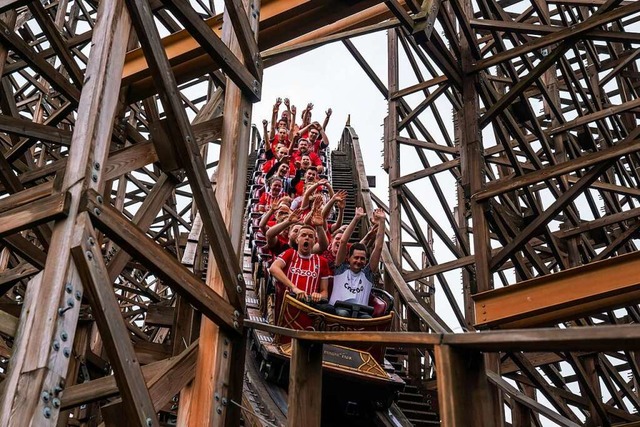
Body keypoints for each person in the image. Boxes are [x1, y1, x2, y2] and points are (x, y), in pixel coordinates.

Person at [329, 207, 386, 318]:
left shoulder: (367, 274)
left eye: (362, 259)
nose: (359, 261)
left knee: (367, 319)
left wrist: (382, 221)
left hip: (362, 313)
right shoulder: (341, 269)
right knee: (343, 314)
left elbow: (378, 248)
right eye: (356, 258)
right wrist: (356, 218)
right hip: (339, 310)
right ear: (349, 258)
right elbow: (343, 242)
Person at [269, 225, 331, 321]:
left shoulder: (322, 261)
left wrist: (319, 295)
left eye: (311, 236)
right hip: (287, 306)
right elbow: (273, 268)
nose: (307, 238)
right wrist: (294, 288)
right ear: (297, 240)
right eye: (303, 235)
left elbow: (324, 292)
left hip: (309, 309)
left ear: (315, 242)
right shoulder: (290, 253)